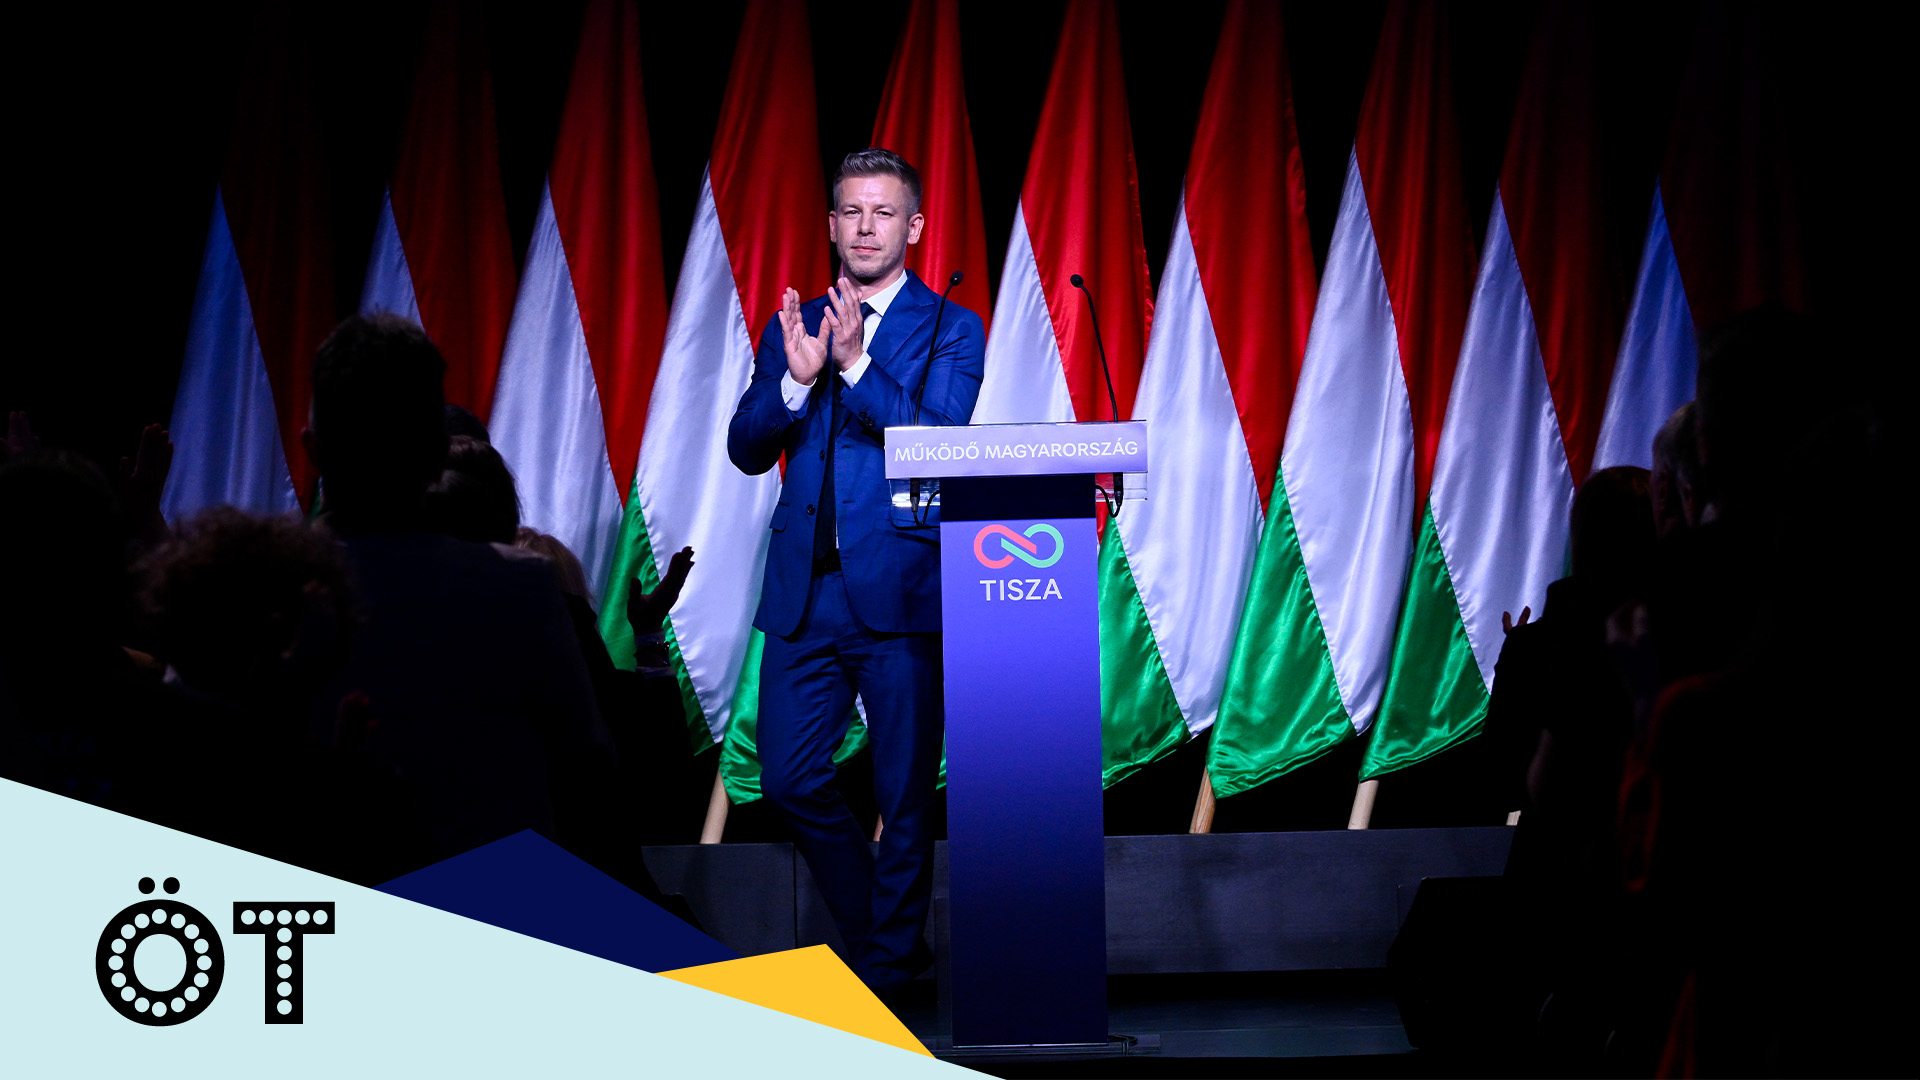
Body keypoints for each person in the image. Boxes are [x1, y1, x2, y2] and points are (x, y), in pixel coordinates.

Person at [727, 148, 985, 992]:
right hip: (806, 594)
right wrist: (796, 385)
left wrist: (856, 368)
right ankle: (889, 937)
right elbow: (745, 446)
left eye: (883, 213)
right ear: (832, 223)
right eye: (851, 211)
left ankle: (890, 970)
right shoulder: (794, 323)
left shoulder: (951, 327)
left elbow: (936, 443)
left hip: (903, 589)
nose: (865, 227)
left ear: (913, 227)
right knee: (789, 778)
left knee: (903, 795)